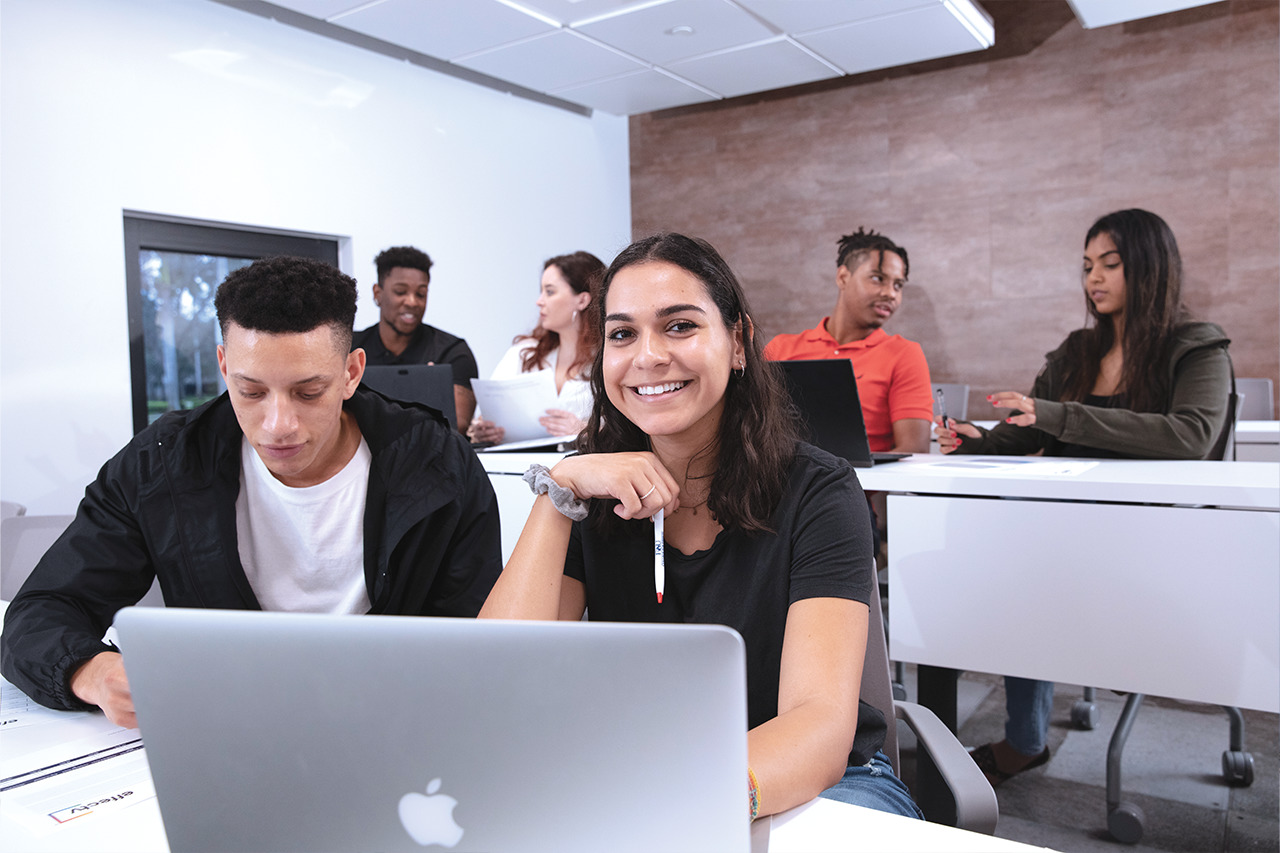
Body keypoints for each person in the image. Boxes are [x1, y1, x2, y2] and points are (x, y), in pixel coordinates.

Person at [479, 233, 922, 821]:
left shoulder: (818, 490)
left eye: (680, 326)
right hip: (635, 771)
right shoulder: (593, 493)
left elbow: (816, 723)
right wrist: (558, 491)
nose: (648, 356)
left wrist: (685, 804)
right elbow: (496, 682)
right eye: (622, 334)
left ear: (738, 342)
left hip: (804, 783)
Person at [1, 256, 503, 728]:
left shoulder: (438, 464)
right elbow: (39, 611)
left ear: (351, 373)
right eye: (251, 391)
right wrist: (91, 672)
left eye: (308, 392)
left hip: (397, 727)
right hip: (223, 731)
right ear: (224, 367)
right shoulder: (162, 464)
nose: (278, 425)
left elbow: (481, 640)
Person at [936, 208, 1232, 786]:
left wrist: (1060, 415)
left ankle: (1035, 717)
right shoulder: (1076, 351)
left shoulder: (1195, 345)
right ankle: (1022, 737)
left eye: (1110, 264)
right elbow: (1027, 431)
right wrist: (977, 440)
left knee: (1026, 575)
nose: (1093, 277)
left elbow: (1191, 436)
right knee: (1009, 566)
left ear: (1150, 267)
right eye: (1088, 265)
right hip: (1058, 532)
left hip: (1151, 537)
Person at [764, 228, 933, 454]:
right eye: (877, 278)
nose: (891, 293)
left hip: (863, 477)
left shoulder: (904, 353)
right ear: (843, 277)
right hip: (784, 473)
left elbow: (914, 449)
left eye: (898, 285)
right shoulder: (781, 348)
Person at [467, 251, 604, 445]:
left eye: (550, 292)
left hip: (582, 461)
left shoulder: (608, 359)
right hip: (514, 461)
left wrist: (585, 429)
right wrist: (483, 431)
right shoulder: (523, 353)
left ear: (582, 300)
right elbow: (485, 416)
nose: (539, 301)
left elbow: (627, 431)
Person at [350, 246, 479, 434]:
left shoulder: (452, 352)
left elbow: (457, 424)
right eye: (400, 292)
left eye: (421, 294)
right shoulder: (350, 348)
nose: (412, 302)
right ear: (378, 293)